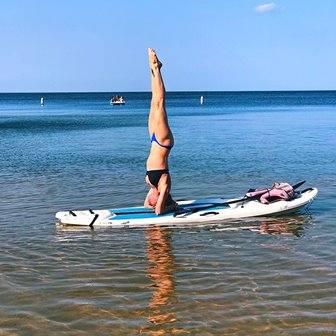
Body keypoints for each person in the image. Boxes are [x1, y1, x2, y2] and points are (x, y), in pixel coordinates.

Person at [144, 48, 178, 215]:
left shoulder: (152, 186)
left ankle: (153, 69)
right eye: (155, 201)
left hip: (153, 140)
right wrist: (172, 207)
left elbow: (147, 206)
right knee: (160, 103)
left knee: (153, 102)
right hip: (163, 143)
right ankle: (156, 68)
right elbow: (158, 212)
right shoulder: (164, 186)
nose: (152, 200)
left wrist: (153, 202)